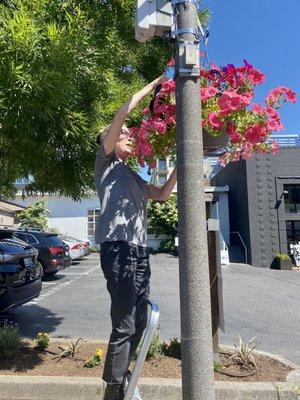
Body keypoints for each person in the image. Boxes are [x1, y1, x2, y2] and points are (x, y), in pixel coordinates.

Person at [94, 76, 177, 400]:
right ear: (109, 141)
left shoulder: (133, 176)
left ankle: (124, 374)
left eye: (129, 135)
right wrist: (149, 88)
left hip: (140, 252)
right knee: (125, 320)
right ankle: (114, 389)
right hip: (118, 249)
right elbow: (120, 116)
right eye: (122, 135)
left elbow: (162, 194)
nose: (127, 136)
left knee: (141, 320)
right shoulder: (106, 165)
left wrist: (182, 162)